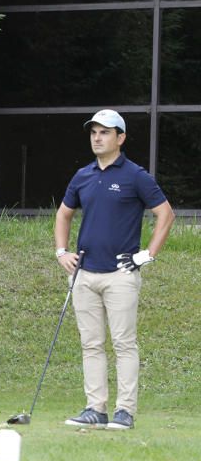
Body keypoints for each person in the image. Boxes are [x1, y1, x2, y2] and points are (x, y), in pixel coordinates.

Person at [54, 109, 175, 430]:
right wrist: (61, 252)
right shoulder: (83, 175)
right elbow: (63, 214)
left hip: (121, 274)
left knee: (124, 343)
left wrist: (147, 254)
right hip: (84, 274)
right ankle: (96, 408)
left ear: (120, 138)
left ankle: (125, 411)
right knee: (91, 344)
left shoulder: (135, 176)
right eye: (94, 132)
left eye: (105, 132)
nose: (97, 137)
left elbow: (166, 215)